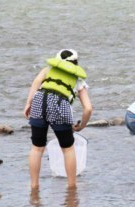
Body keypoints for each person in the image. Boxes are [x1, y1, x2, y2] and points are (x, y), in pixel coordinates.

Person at [24, 49, 93, 189]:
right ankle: (72, 186)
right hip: (60, 106)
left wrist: (28, 103)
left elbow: (36, 82)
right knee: (67, 149)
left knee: (37, 148)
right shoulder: (78, 79)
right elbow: (88, 108)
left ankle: (34, 186)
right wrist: (82, 125)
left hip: (39, 101)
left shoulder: (48, 69)